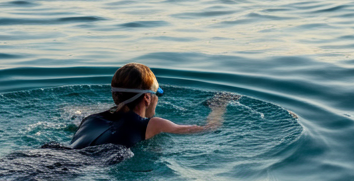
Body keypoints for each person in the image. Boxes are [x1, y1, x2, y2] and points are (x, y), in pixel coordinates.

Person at [69, 63, 232, 149]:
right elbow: (210, 128)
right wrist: (218, 106)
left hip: (57, 156)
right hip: (85, 167)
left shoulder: (90, 119)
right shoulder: (155, 125)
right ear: (147, 98)